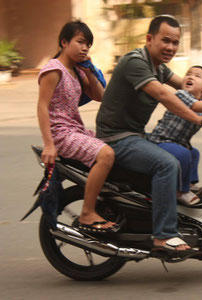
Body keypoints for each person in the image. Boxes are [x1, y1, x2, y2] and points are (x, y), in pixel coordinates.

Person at [96, 15, 202, 253]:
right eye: (166, 41)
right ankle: (163, 236)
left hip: (134, 135)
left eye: (175, 43)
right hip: (116, 137)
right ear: (149, 39)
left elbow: (189, 92)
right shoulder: (135, 62)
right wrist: (199, 118)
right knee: (168, 163)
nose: (170, 48)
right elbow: (166, 97)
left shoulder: (158, 67)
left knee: (185, 154)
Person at [37, 21, 117, 233]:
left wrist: (89, 69)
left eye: (88, 45)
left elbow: (100, 96)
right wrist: (49, 145)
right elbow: (42, 107)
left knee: (120, 149)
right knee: (106, 155)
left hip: (76, 130)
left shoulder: (76, 71)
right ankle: (87, 212)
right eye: (80, 42)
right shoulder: (54, 70)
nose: (84, 48)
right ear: (64, 42)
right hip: (61, 134)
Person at [149, 66, 202, 205]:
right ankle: (181, 191)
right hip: (162, 140)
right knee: (184, 154)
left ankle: (190, 184)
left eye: (196, 76)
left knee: (194, 153)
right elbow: (195, 107)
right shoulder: (181, 95)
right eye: (188, 74)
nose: (190, 77)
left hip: (179, 143)